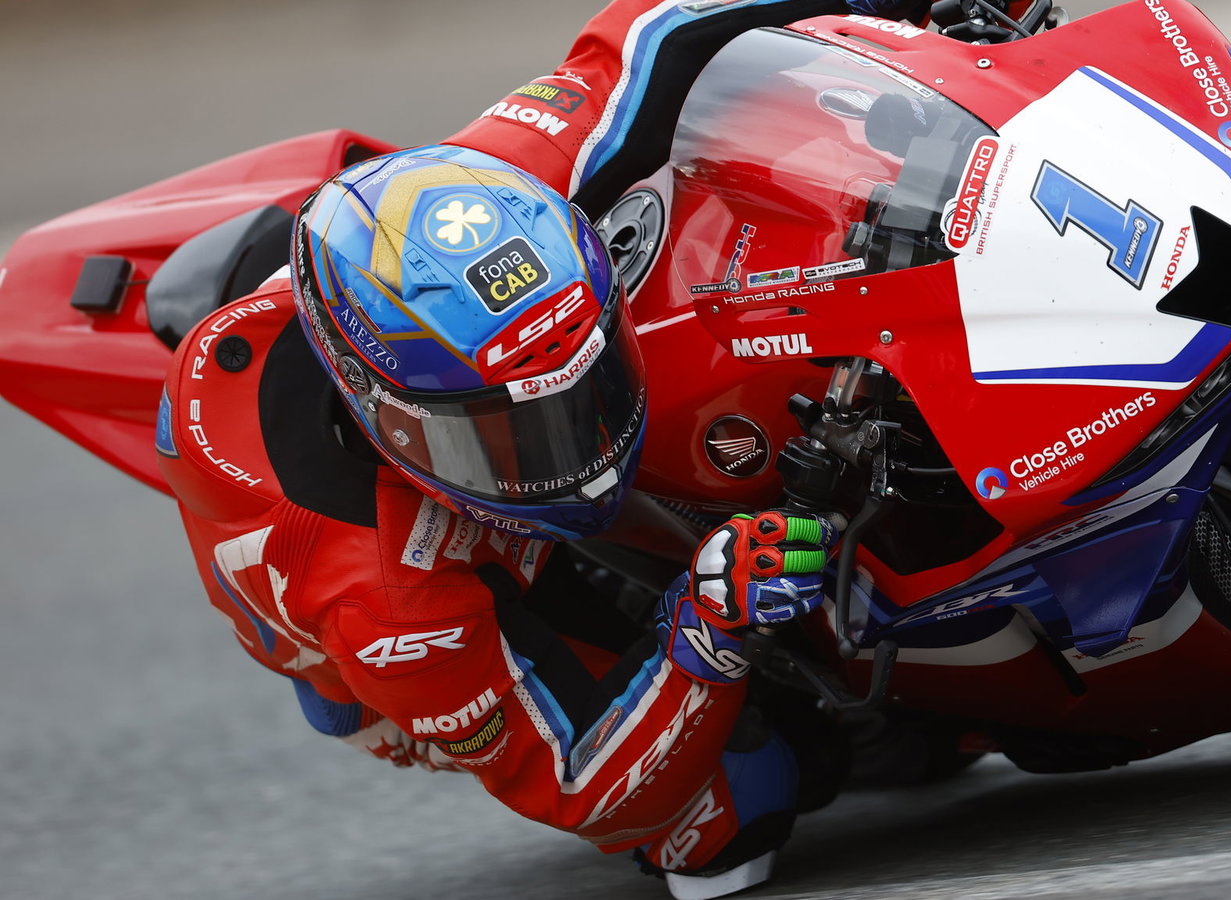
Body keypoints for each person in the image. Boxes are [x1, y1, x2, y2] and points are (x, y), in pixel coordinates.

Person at [156, 0, 932, 897]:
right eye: (504, 437)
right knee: (733, 804)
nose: (584, 458)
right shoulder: (392, 608)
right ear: (389, 419)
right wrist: (708, 631)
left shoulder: (488, 196)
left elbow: (647, 40)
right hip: (420, 627)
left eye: (579, 402)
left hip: (396, 421)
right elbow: (579, 787)